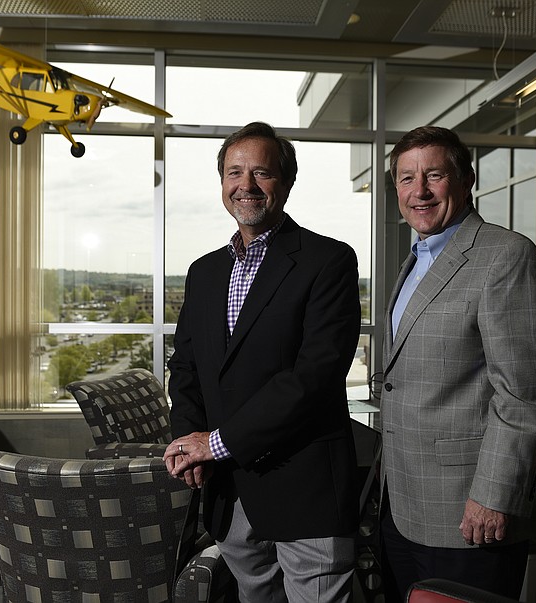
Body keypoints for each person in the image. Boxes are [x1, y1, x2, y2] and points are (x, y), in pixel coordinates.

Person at [163, 121, 361, 603]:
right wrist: (189, 441)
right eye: (234, 172)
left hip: (304, 488)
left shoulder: (328, 261)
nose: (245, 186)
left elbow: (314, 377)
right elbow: (186, 367)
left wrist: (215, 443)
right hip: (230, 494)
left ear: (286, 183)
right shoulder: (204, 271)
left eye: (261, 173)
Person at [379, 125, 536, 600]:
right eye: (405, 178)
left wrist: (493, 497)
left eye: (433, 175)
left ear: (465, 181)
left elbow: (525, 397)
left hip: (469, 512)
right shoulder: (418, 258)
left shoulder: (506, 256)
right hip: (404, 504)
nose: (419, 191)